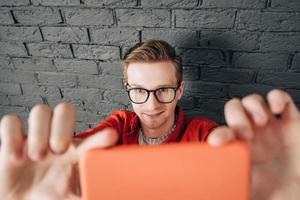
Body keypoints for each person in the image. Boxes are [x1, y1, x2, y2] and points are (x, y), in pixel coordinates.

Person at [0, 40, 299, 200]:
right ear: (129, 91)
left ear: (179, 90)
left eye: (164, 90)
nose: (152, 105)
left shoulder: (203, 134)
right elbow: (78, 147)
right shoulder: (118, 125)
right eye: (140, 91)